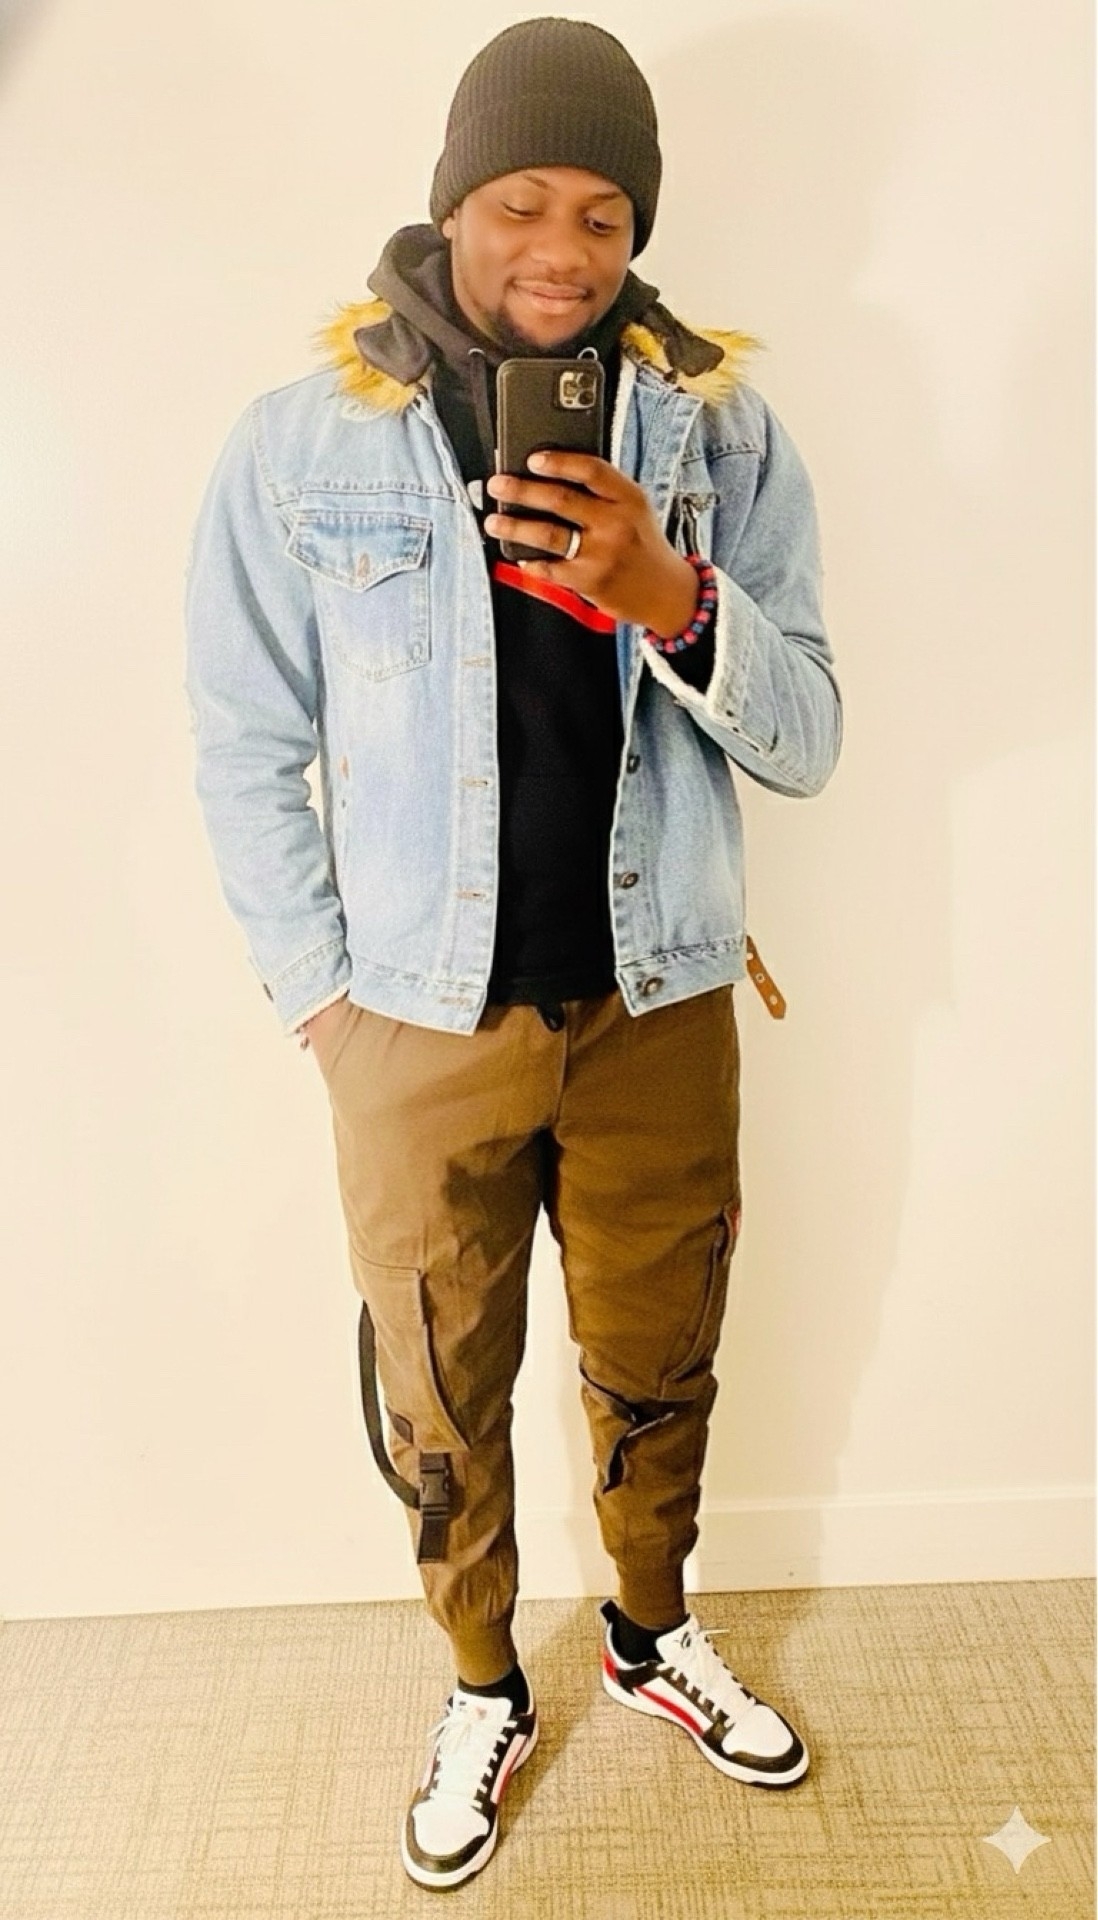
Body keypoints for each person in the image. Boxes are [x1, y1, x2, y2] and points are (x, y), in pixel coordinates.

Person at [183, 16, 842, 1893]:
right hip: (413, 1019)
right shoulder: (301, 442)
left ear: (641, 227)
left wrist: (669, 596)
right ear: (451, 202)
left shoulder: (720, 431)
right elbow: (243, 738)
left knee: (659, 1354)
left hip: (659, 999)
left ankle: (647, 1635)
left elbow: (807, 736)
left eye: (604, 213)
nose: (561, 248)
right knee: (436, 1378)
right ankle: (482, 1678)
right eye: (519, 202)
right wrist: (323, 1001)